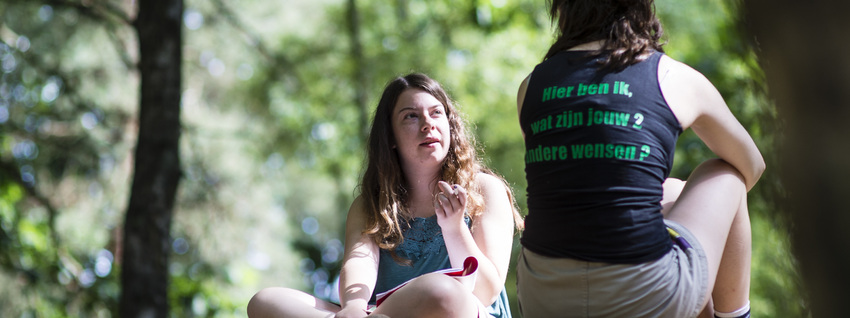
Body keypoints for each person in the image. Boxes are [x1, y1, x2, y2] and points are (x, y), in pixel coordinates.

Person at [514, 1, 765, 318]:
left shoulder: (530, 86)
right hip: (644, 293)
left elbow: (576, 181)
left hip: (542, 297)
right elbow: (752, 166)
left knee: (672, 192)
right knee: (726, 173)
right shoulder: (671, 75)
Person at [247, 73, 523, 318]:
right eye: (411, 116)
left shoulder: (485, 189)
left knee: (442, 291)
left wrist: (453, 229)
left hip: (460, 309)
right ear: (390, 136)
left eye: (437, 113)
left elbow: (485, 292)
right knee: (266, 301)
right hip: (377, 313)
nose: (428, 124)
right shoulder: (370, 205)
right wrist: (354, 306)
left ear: (450, 125)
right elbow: (359, 263)